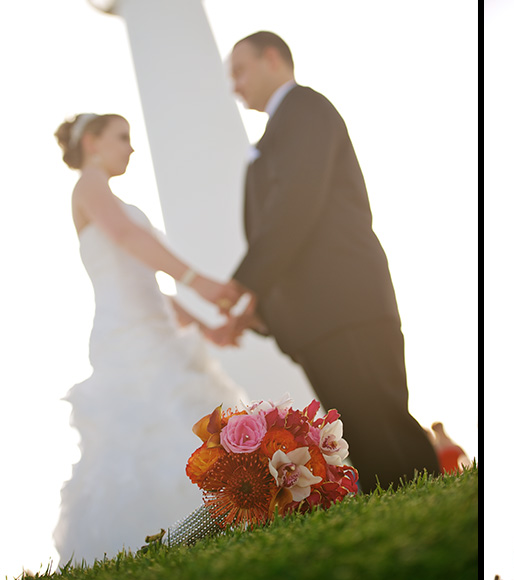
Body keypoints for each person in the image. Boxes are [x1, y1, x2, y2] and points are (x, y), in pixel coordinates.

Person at [221, 31, 440, 493]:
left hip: (344, 300)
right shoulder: (278, 130)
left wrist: (246, 284)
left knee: (380, 419)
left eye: (239, 70)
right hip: (319, 313)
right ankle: (396, 508)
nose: (234, 85)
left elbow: (296, 205)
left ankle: (422, 504)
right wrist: (262, 305)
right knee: (362, 427)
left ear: (273, 59)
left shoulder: (304, 109)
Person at [53, 113, 248, 564]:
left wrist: (204, 325)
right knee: (147, 436)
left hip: (159, 333)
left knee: (190, 422)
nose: (132, 148)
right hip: (126, 339)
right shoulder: (88, 186)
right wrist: (198, 281)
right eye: (123, 137)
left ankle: (220, 519)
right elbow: (126, 236)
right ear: (94, 143)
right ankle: (151, 538)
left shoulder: (110, 195)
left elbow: (149, 287)